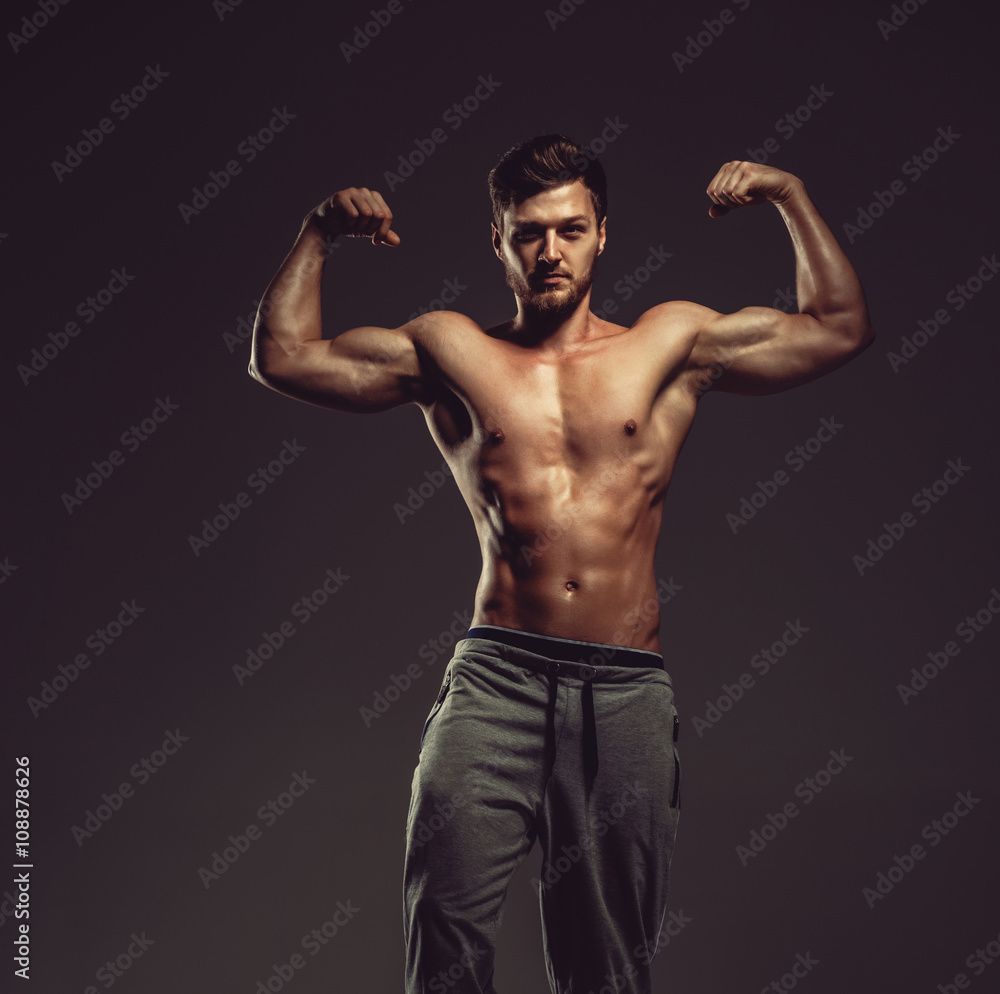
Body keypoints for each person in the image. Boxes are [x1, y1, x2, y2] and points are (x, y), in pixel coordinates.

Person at [248, 135, 874, 994]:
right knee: (445, 930)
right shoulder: (452, 350)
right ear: (497, 240)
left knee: (606, 963)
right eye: (529, 232)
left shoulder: (671, 343)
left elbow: (839, 327)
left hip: (621, 690)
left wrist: (791, 195)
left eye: (571, 230)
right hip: (496, 680)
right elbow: (281, 358)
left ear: (603, 234)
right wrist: (317, 235)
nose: (550, 251)